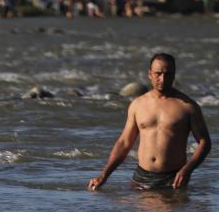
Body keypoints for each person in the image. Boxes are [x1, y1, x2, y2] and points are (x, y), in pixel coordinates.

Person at [88, 53, 211, 191]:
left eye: (168, 74)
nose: (162, 79)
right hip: (141, 179)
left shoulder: (188, 106)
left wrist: (187, 170)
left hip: (173, 179)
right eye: (158, 73)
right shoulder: (138, 105)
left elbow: (204, 142)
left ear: (174, 75)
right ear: (149, 74)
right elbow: (124, 143)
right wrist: (103, 175)